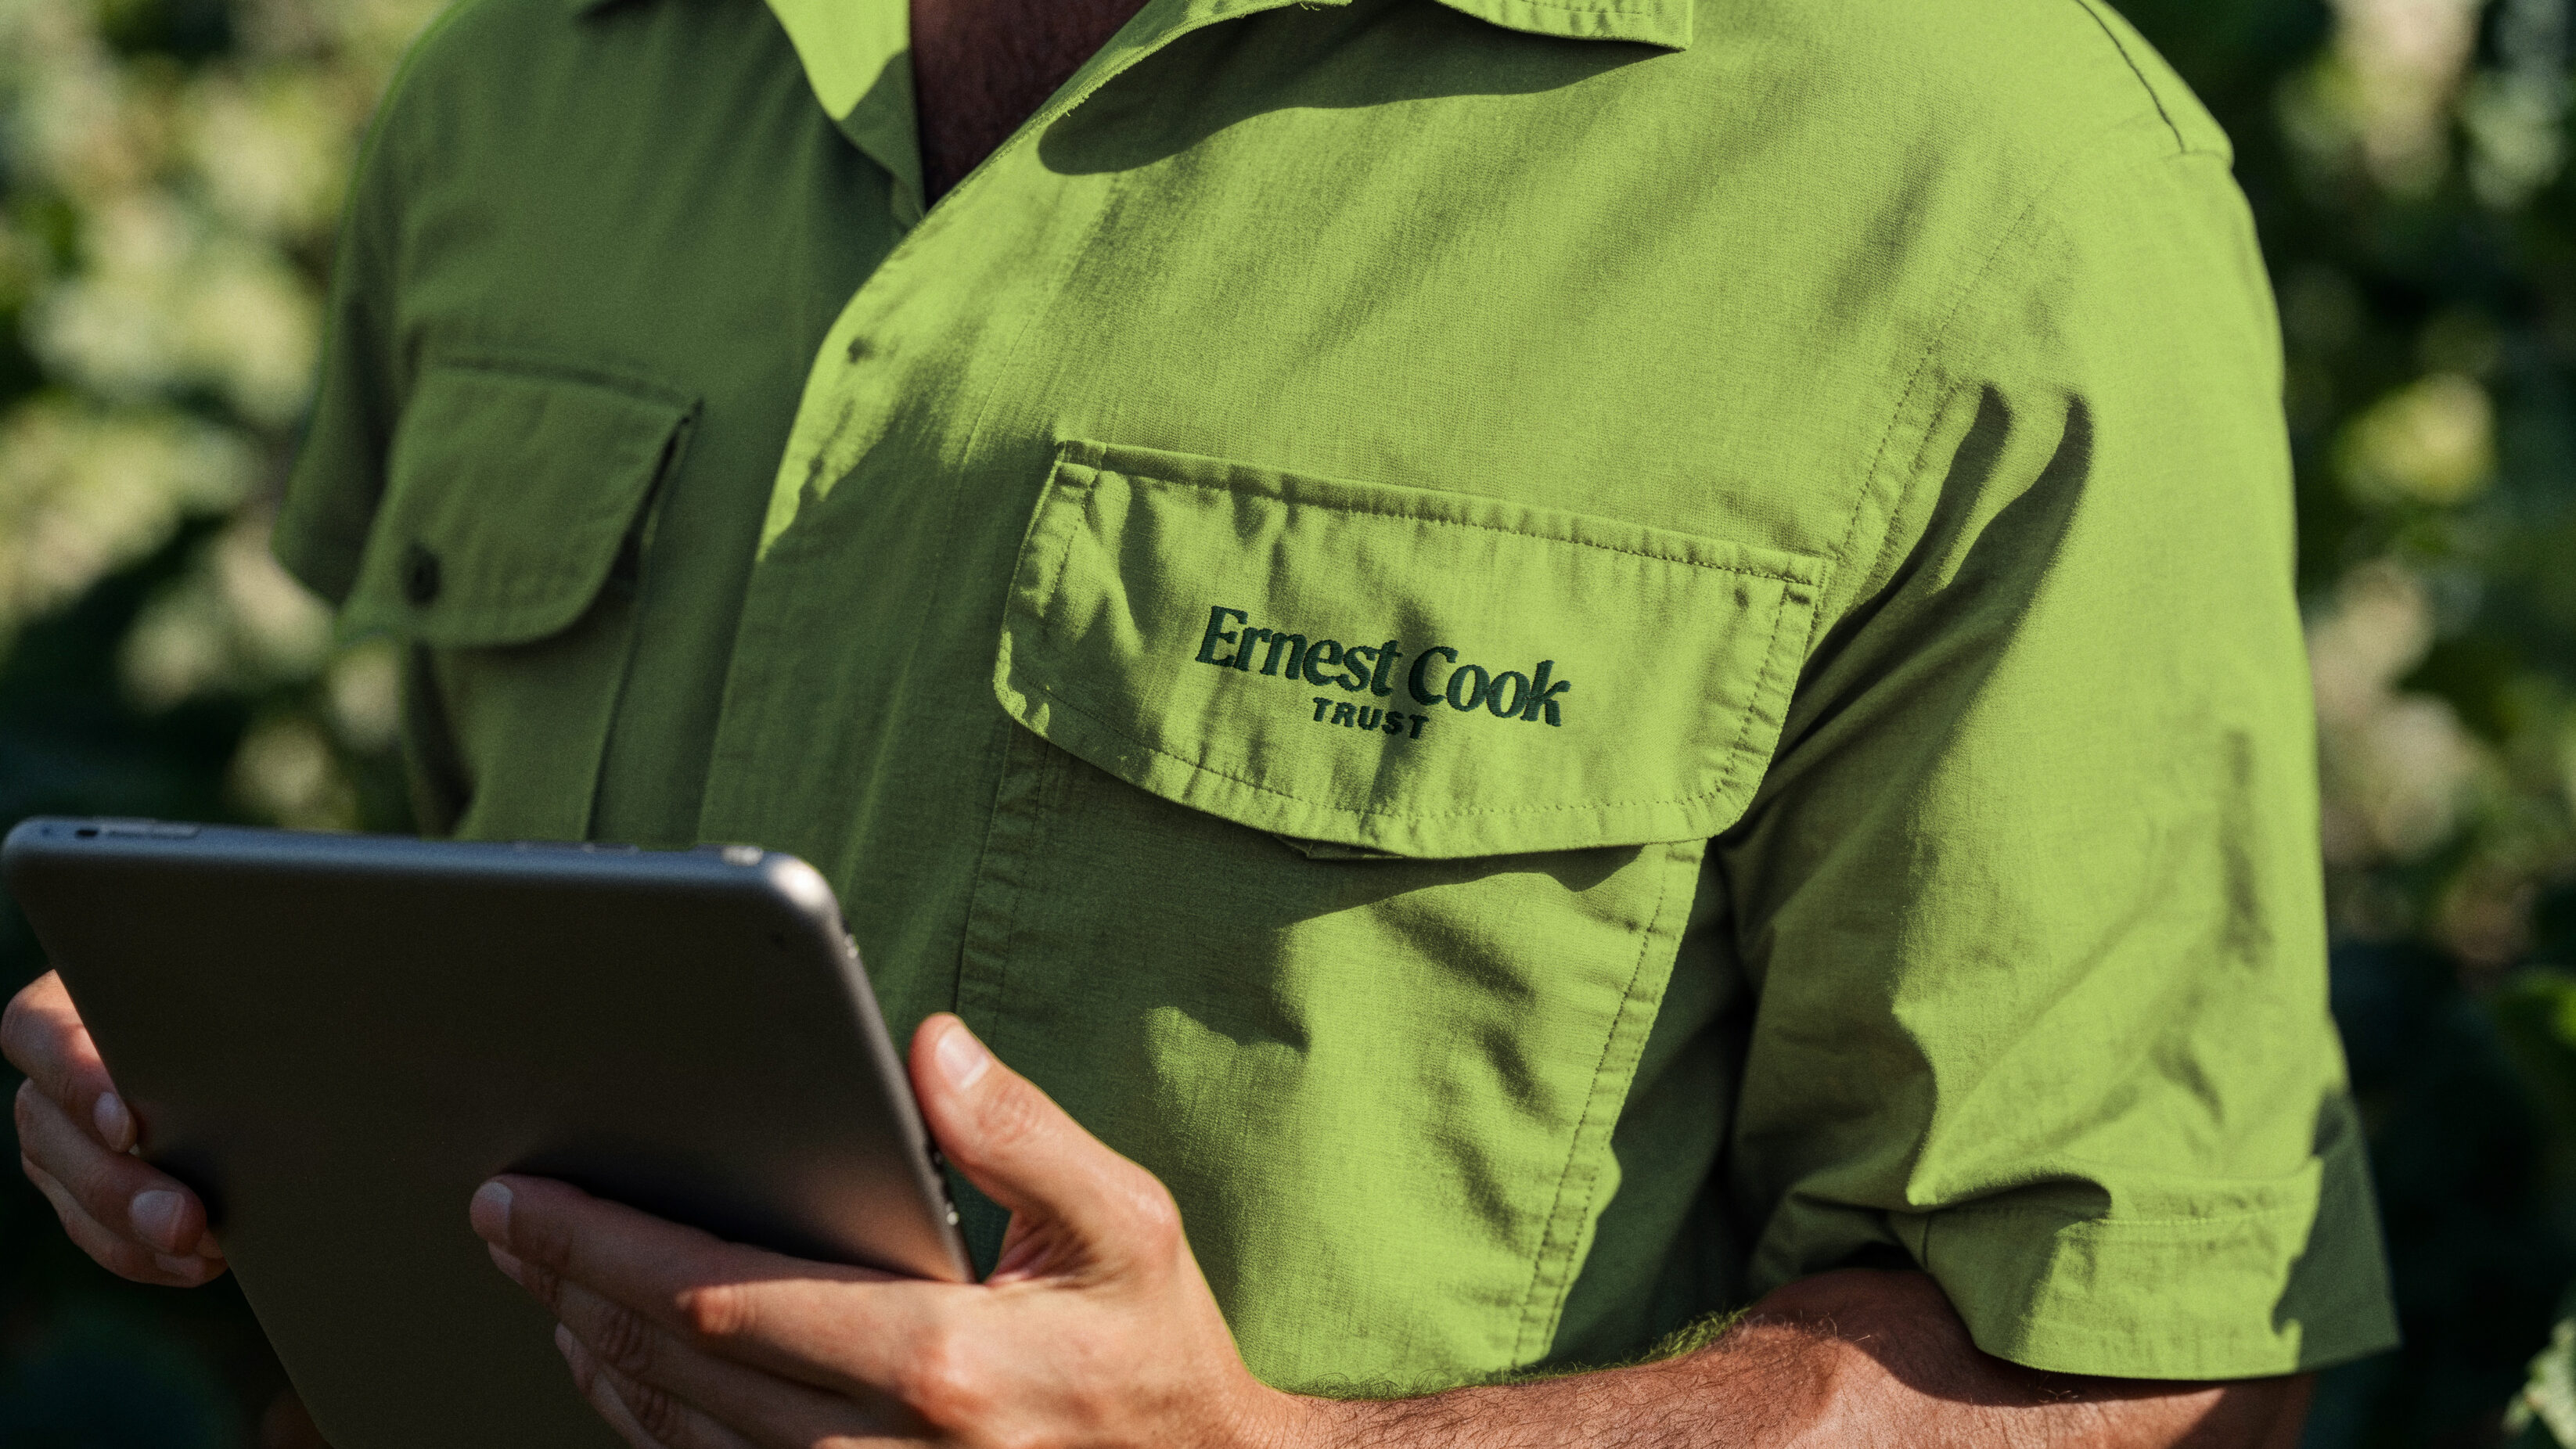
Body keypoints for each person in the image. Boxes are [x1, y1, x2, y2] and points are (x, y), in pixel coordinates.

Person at [8, 0, 2402, 1440]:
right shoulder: (539, 79)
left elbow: (2134, 1377)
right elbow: (460, 940)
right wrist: (233, 1106)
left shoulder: (1975, 180)